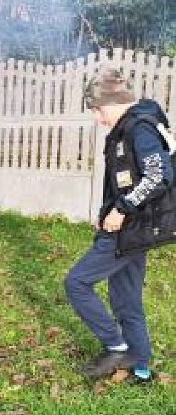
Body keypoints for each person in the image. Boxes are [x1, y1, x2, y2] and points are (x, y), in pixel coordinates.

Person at [64, 68, 173, 382]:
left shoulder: (138, 129)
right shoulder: (133, 125)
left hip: (129, 227)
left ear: (112, 103)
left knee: (77, 283)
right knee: (126, 298)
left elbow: (159, 176)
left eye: (98, 110)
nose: (98, 119)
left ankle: (116, 346)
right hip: (136, 228)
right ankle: (141, 371)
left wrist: (122, 210)